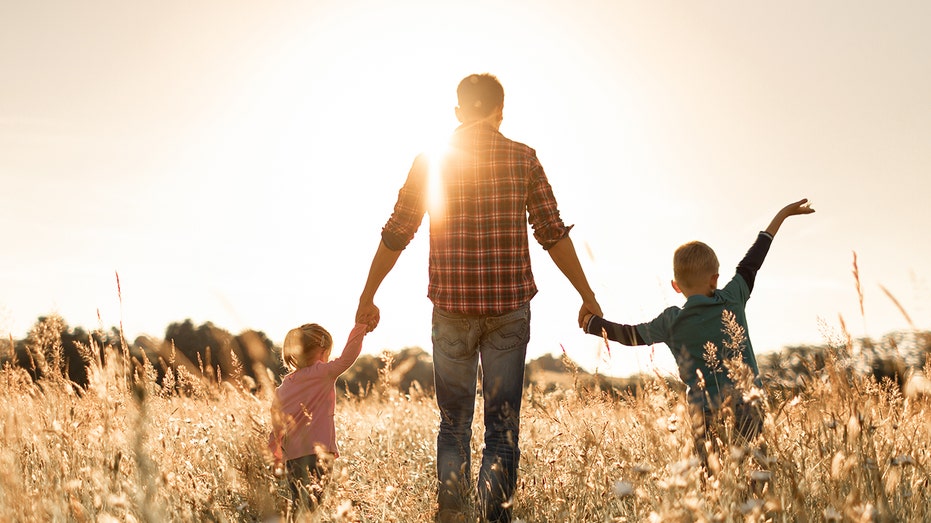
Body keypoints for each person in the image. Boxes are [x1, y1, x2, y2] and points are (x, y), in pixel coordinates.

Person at [355, 73, 602, 522]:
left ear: (457, 112)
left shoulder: (431, 160)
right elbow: (551, 234)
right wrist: (587, 295)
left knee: (452, 424)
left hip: (451, 310)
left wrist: (367, 295)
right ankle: (494, 518)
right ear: (500, 112)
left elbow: (398, 232)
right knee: (502, 427)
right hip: (509, 311)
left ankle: (450, 515)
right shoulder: (523, 159)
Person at [582, 198, 815, 469]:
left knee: (712, 479)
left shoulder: (671, 321)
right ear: (715, 278)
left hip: (704, 414)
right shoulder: (733, 297)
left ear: (676, 286)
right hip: (748, 405)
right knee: (753, 475)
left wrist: (591, 323)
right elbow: (753, 260)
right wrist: (782, 214)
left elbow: (628, 335)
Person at [268, 321, 370, 516]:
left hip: (292, 458)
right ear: (322, 349)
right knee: (312, 507)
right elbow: (348, 357)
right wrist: (360, 327)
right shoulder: (322, 373)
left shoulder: (284, 387)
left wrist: (276, 454)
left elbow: (276, 424)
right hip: (319, 455)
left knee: (299, 503)